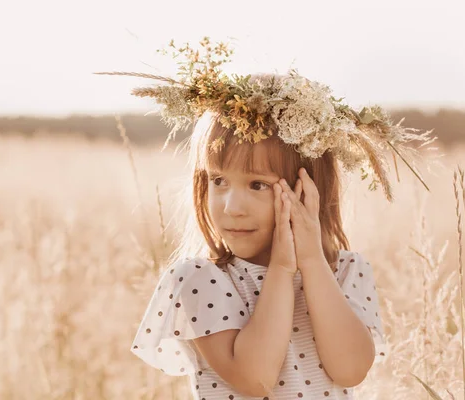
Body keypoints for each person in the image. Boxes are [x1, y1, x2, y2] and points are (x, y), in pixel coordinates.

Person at [98, 37, 437, 399]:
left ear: (307, 190)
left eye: (258, 184)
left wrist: (309, 261)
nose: (231, 206)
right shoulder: (201, 279)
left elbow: (350, 370)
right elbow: (255, 378)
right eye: (218, 181)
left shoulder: (345, 272)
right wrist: (280, 269)